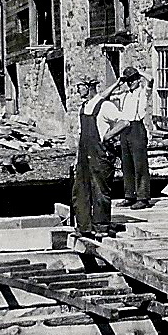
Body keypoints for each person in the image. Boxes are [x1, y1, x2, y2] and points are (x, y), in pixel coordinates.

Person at [72, 75, 127, 239]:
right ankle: (84, 226)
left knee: (100, 191)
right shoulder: (83, 108)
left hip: (100, 155)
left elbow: (124, 122)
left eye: (80, 86)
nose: (77, 90)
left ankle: (101, 227)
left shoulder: (105, 106)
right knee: (80, 190)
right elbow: (81, 135)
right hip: (84, 157)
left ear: (89, 87)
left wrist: (107, 136)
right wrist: (77, 159)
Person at [116, 66, 153, 211]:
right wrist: (120, 82)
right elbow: (105, 96)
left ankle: (143, 198)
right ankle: (129, 195)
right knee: (127, 164)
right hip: (124, 129)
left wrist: (139, 73)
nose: (130, 83)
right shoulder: (124, 94)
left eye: (133, 79)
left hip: (137, 128)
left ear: (138, 79)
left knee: (140, 165)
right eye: (128, 80)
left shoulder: (143, 92)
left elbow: (150, 79)